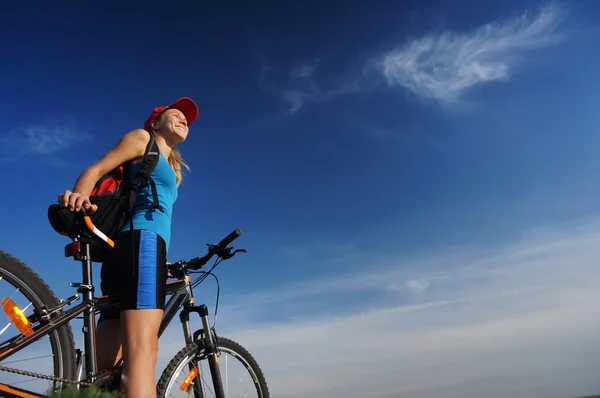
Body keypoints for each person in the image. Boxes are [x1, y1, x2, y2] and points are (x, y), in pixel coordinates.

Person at [57, 97, 198, 398]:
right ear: (156, 122)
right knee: (142, 358)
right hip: (142, 245)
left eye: (187, 118)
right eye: (177, 114)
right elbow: (95, 170)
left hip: (130, 251)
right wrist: (81, 196)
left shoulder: (171, 166)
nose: (184, 119)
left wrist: (162, 262)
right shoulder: (143, 138)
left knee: (105, 371)